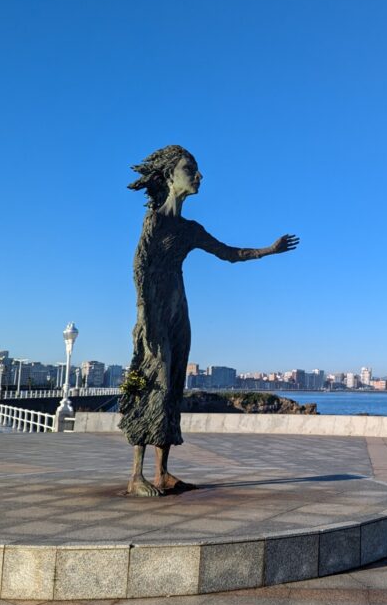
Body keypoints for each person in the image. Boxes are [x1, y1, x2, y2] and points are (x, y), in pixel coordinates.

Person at [120, 145, 298, 496]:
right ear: (170, 176)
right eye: (190, 169)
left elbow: (230, 254)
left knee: (172, 387)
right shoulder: (154, 221)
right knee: (150, 385)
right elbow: (138, 267)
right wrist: (145, 314)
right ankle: (135, 474)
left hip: (178, 313)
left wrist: (268, 250)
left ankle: (163, 473)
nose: (198, 176)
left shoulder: (190, 230)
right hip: (154, 313)